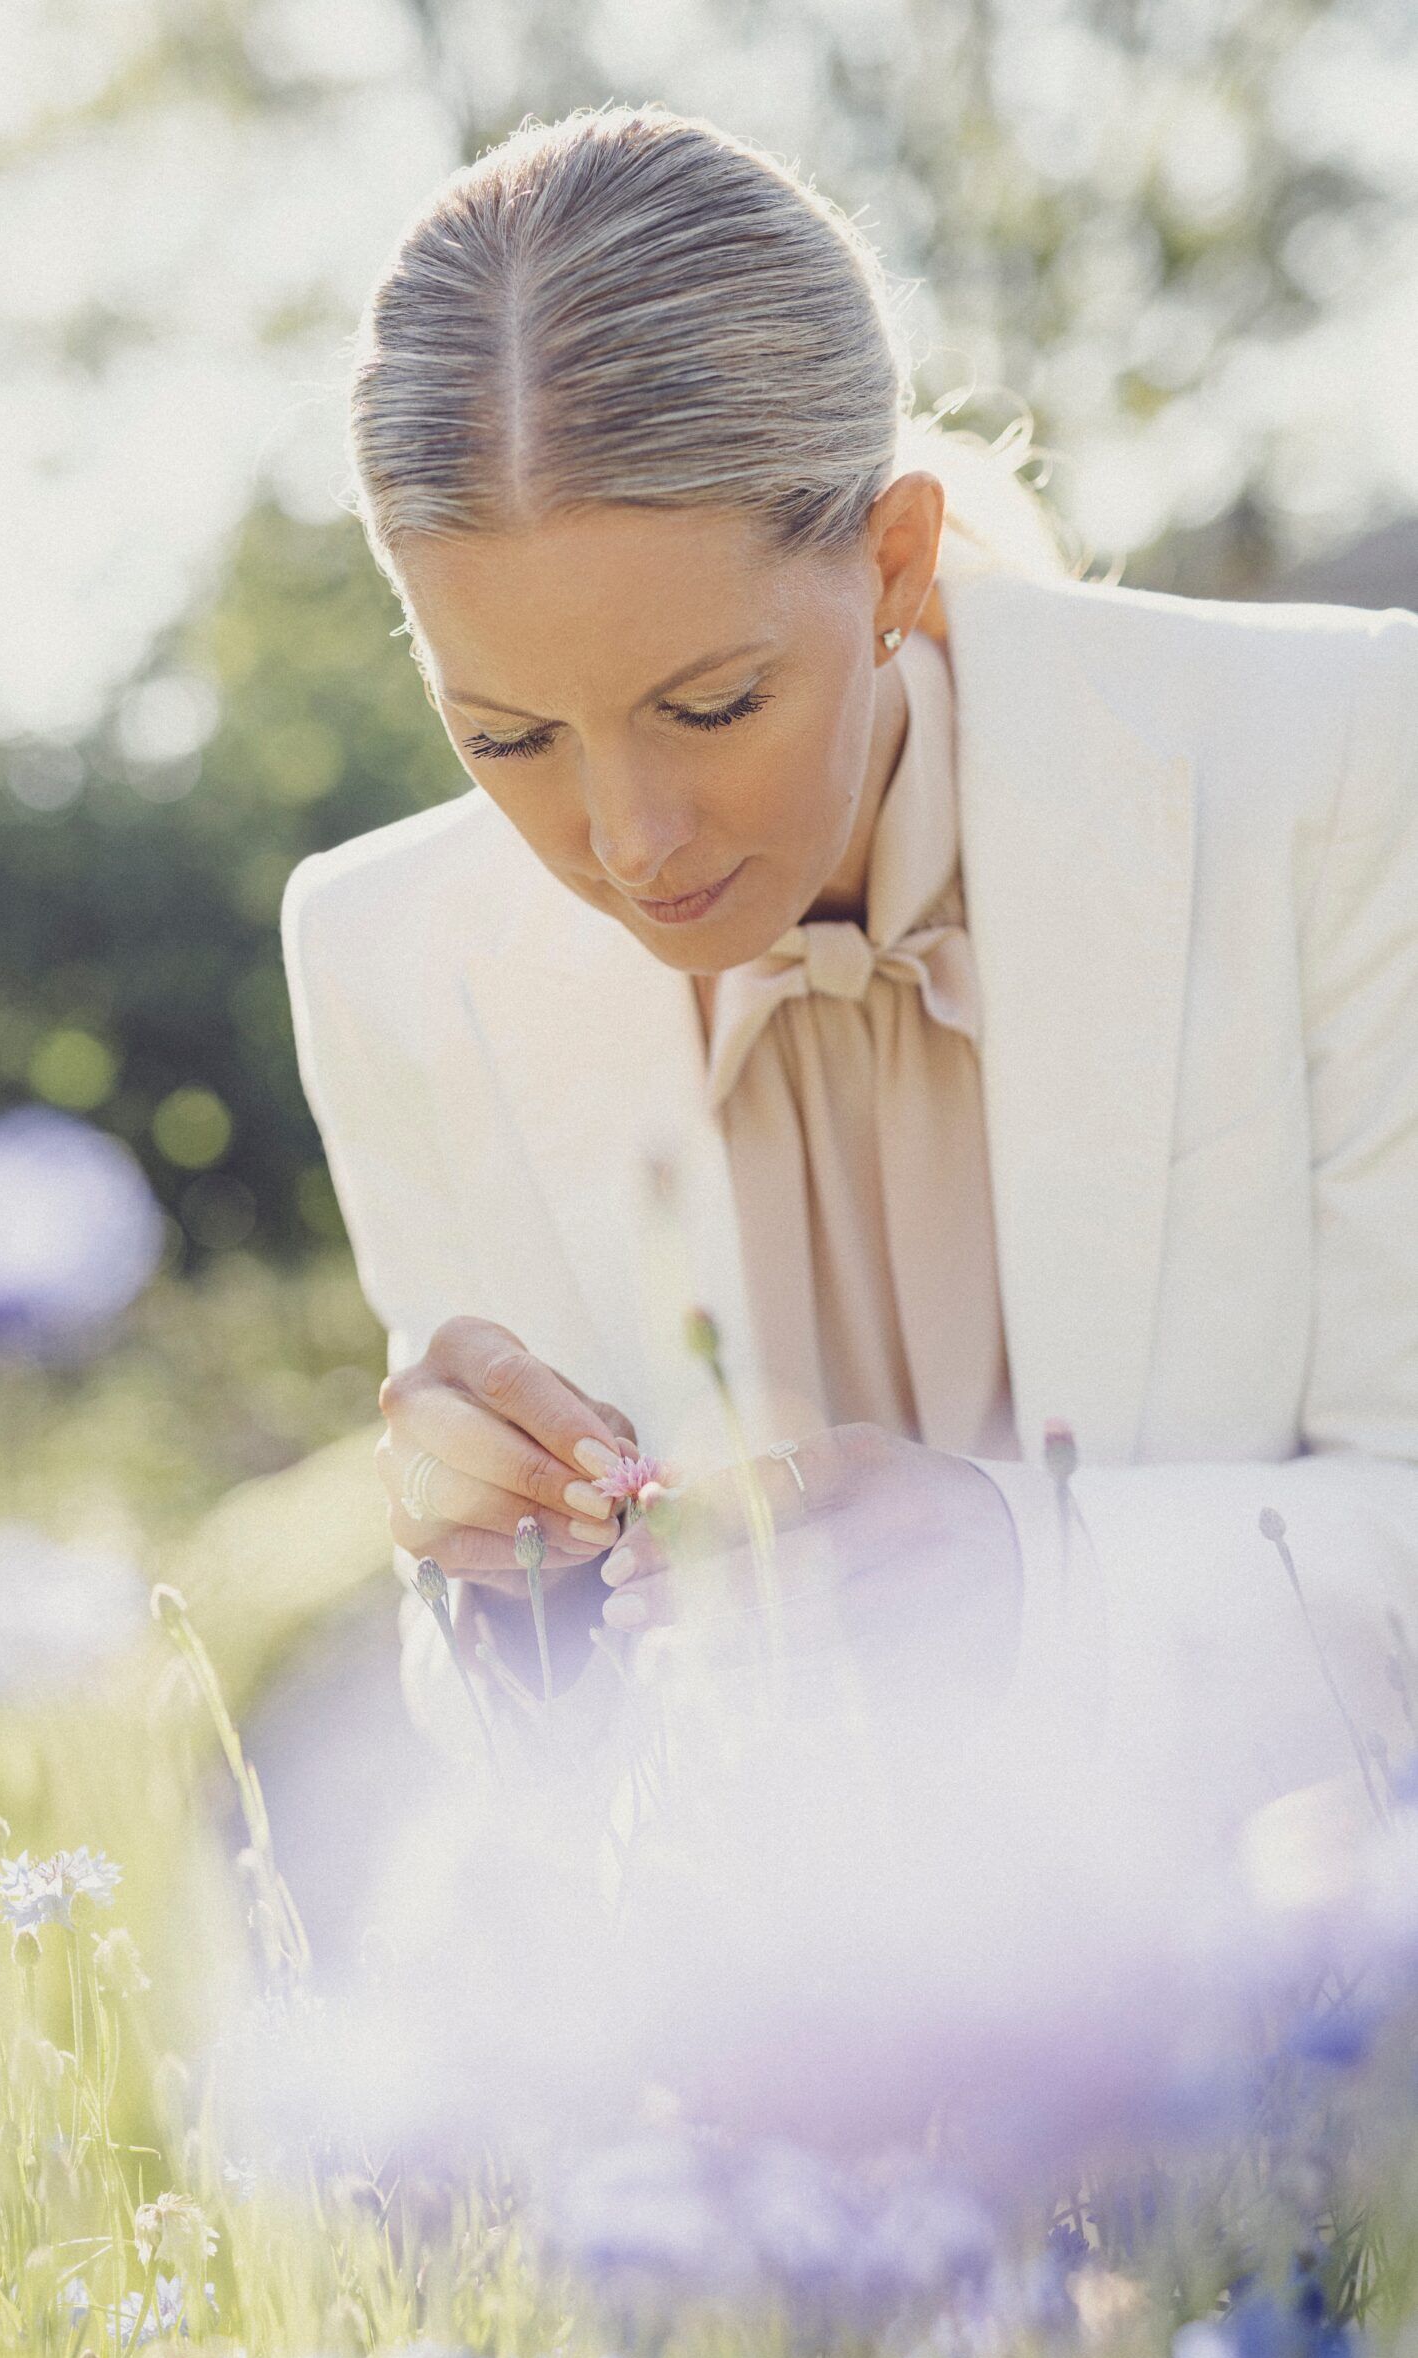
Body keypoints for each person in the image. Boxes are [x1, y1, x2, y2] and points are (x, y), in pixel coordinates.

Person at [281, 104, 1418, 1807]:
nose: (634, 839)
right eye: (509, 736)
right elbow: (529, 1759)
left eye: (715, 704)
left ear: (888, 562)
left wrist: (1037, 1578)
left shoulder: (1342, 759)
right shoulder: (387, 953)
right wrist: (502, 1599)